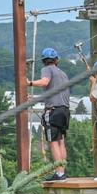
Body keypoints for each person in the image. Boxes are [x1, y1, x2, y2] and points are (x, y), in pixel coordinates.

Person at [27, 48, 72, 182]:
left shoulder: (47, 69)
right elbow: (55, 94)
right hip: (64, 110)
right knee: (61, 142)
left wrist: (29, 83)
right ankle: (62, 171)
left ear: (44, 61)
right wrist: (35, 99)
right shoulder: (63, 74)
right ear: (56, 59)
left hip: (52, 111)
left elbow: (45, 82)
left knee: (53, 142)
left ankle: (59, 173)